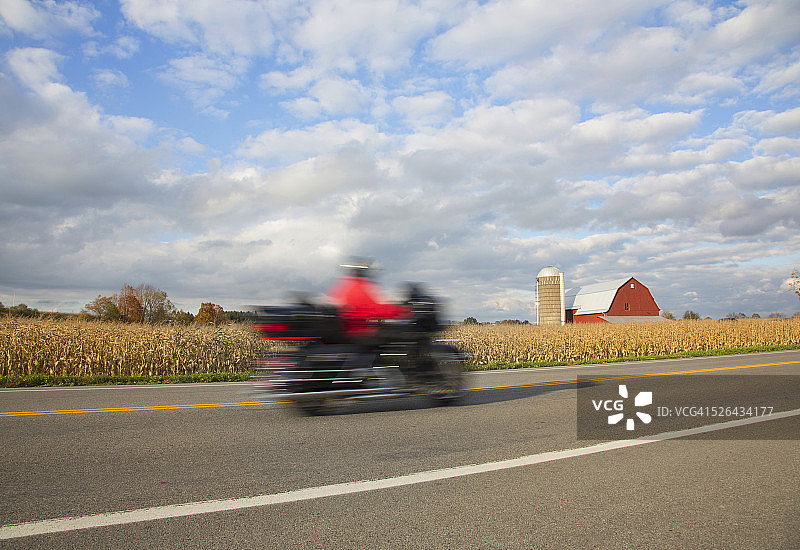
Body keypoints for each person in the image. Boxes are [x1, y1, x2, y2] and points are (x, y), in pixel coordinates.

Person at [326, 259, 412, 340]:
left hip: (357, 330)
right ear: (362, 272)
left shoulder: (348, 286)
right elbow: (372, 309)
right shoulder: (358, 287)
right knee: (404, 334)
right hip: (362, 332)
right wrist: (404, 310)